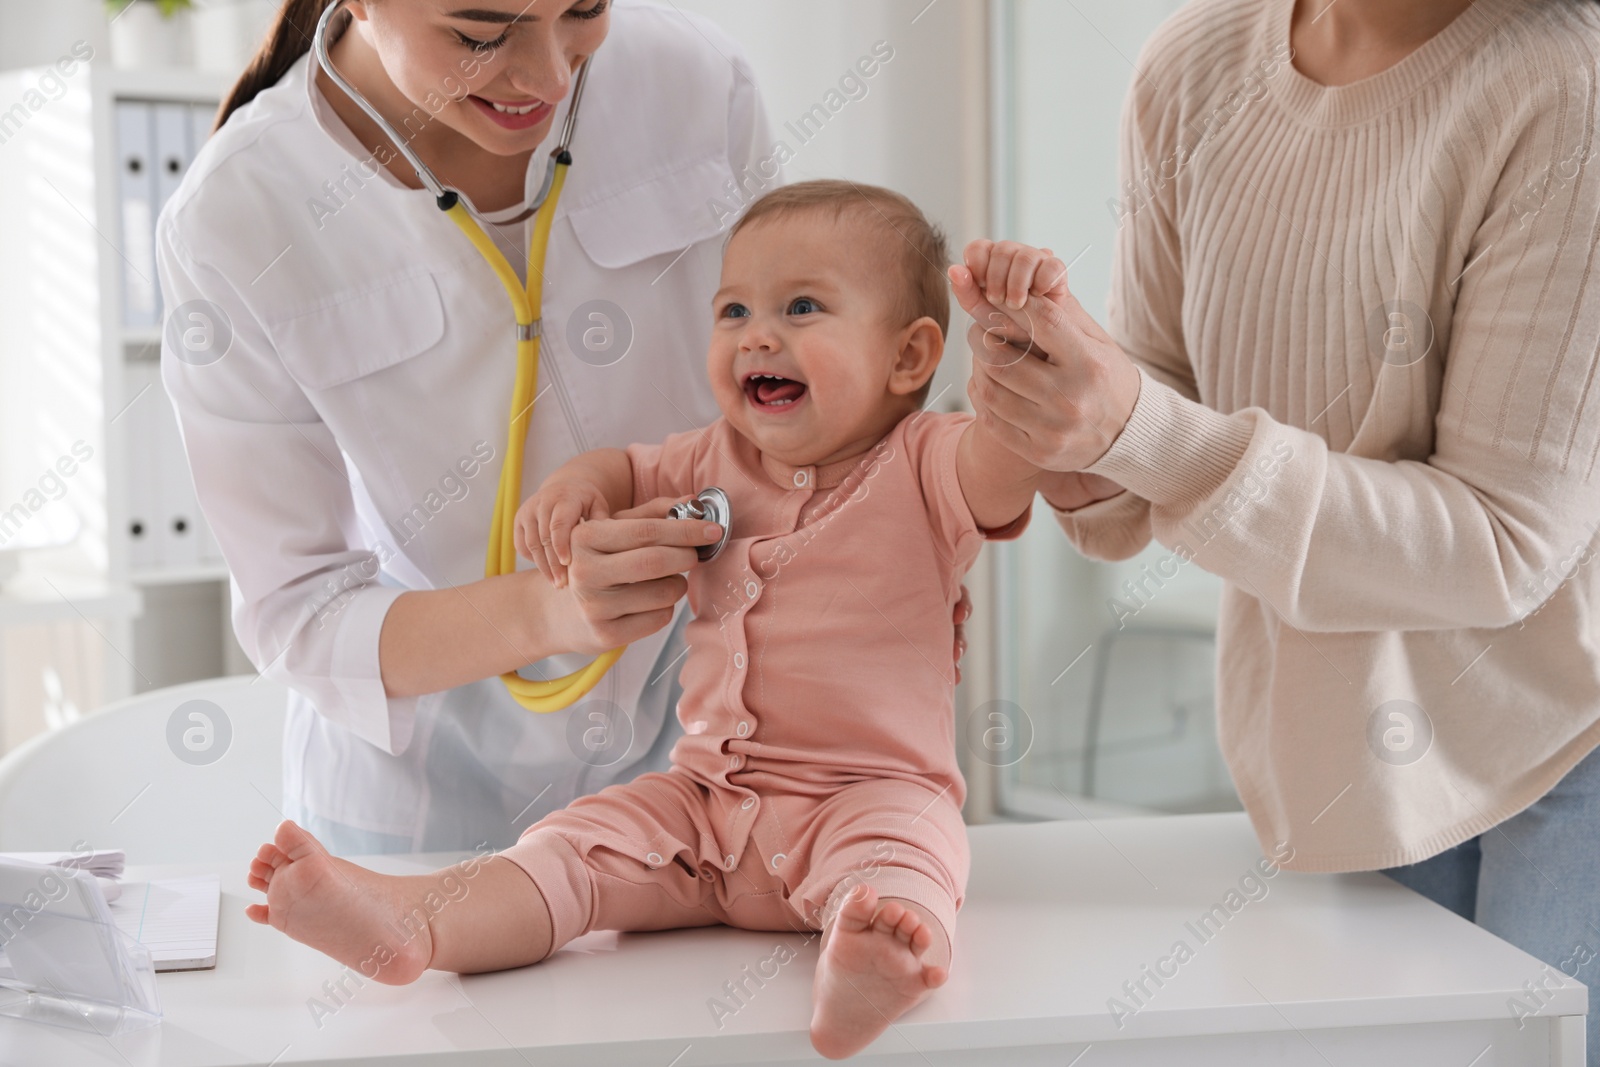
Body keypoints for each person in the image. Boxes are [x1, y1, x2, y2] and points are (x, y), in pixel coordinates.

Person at [244, 180, 1037, 1060]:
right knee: (571, 845)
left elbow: (1006, 463)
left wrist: (1015, 365)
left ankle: (873, 952)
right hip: (701, 803)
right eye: (732, 310)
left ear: (909, 355)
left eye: (802, 307)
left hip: (865, 796)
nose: (756, 335)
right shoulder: (714, 456)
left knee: (909, 860)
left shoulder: (929, 465)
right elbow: (623, 466)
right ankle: (419, 923)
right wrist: (577, 488)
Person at [950, 0, 1600, 1058]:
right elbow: (1164, 418)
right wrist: (1069, 435)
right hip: (1334, 748)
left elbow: (1501, 541)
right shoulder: (1192, 67)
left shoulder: (1570, 92)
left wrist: (1134, 428)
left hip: (1566, 735)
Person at [157, 0, 783, 855]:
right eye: (480, 33)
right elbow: (298, 614)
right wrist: (552, 609)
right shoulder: (236, 212)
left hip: (712, 752)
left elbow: (792, 394)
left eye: (583, 10)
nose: (550, 76)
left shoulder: (697, 80)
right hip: (422, 809)